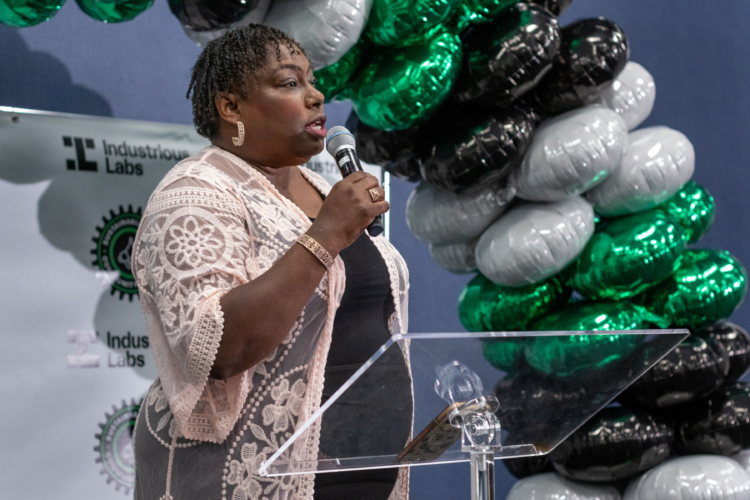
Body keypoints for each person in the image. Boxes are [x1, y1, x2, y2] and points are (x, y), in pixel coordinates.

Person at [130, 24, 413, 500]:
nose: (316, 95)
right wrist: (326, 234)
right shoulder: (194, 194)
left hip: (362, 473)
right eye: (289, 83)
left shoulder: (322, 189)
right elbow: (216, 346)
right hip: (252, 475)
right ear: (231, 106)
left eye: (312, 80)